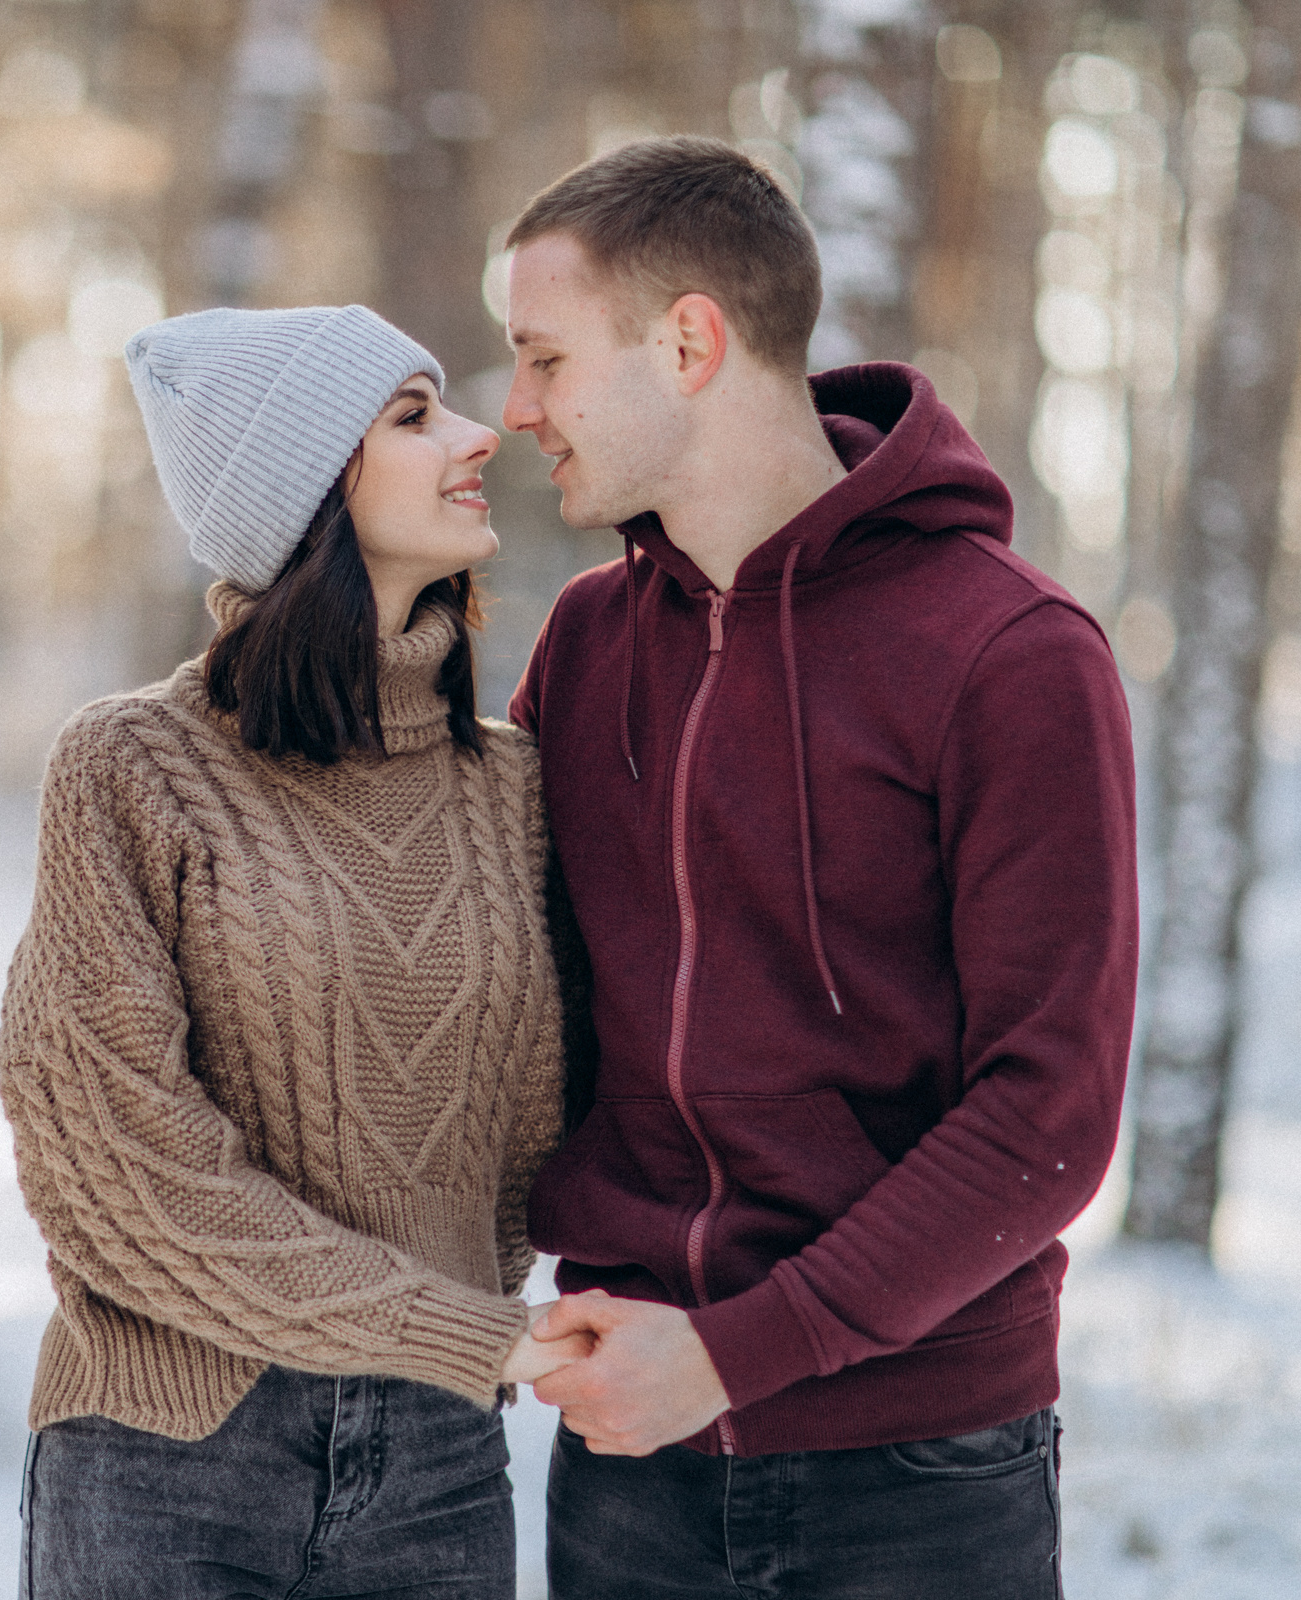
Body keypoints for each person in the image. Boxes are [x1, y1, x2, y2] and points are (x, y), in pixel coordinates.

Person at [496, 137, 1138, 1598]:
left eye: (543, 356)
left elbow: (1050, 1115)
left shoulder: (1009, 656)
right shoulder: (588, 648)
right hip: (630, 1459)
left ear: (689, 339)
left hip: (918, 1473)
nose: (518, 408)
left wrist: (734, 1356)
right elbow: (514, 1007)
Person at [0, 303, 581, 1599]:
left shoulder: (515, 786)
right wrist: (455, 1327)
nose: (481, 434)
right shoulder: (134, 767)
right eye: (415, 416)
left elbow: (540, 1134)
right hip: (174, 1448)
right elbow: (114, 1168)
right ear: (308, 478)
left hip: (435, 1462)